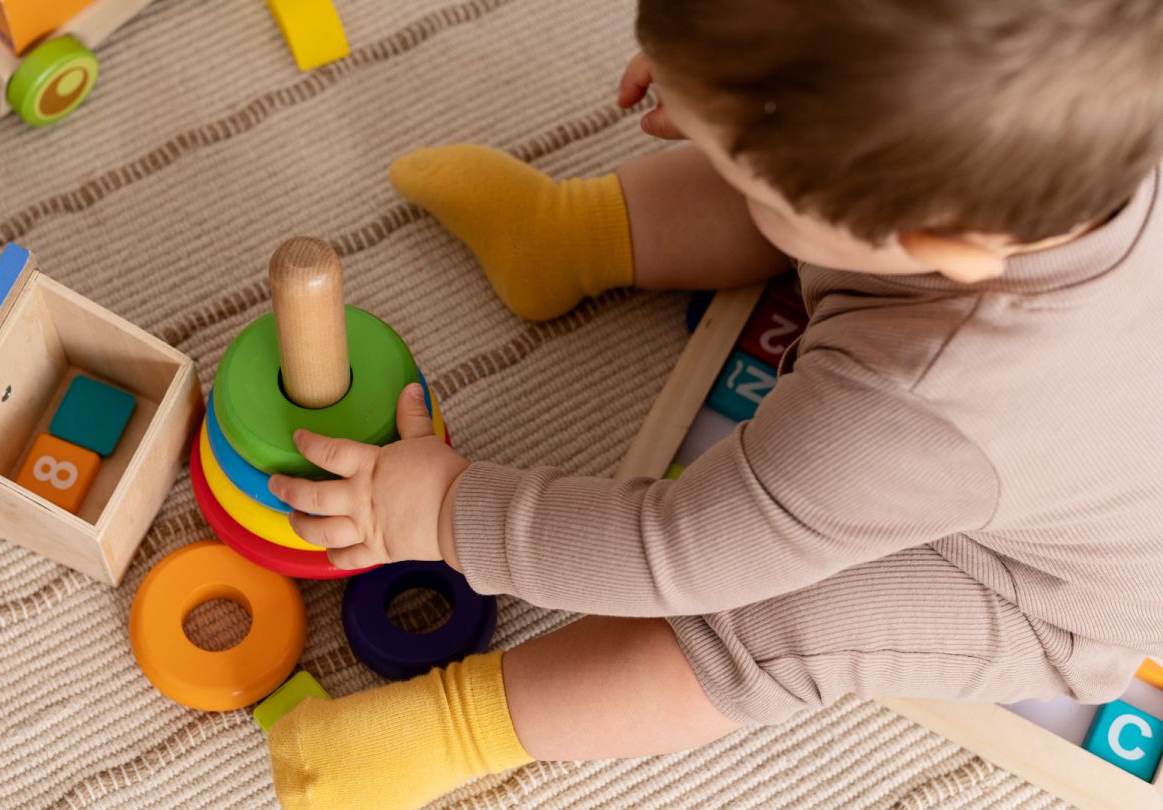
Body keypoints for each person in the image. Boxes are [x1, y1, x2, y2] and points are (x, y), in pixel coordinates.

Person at [263, 1, 1163, 807]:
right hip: (1034, 375)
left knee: (773, 626)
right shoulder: (1053, 134)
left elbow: (676, 552)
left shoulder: (909, 410)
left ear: (939, 243)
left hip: (1043, 589)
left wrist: (449, 513)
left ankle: (459, 729)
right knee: (792, 187)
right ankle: (570, 237)